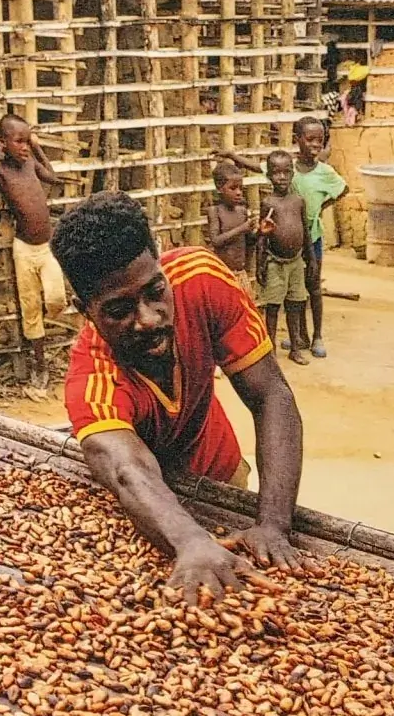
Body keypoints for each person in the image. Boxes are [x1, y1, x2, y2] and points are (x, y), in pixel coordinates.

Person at [51, 192, 305, 601]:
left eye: (155, 291)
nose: (148, 319)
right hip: (158, 504)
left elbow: (271, 395)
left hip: (222, 468)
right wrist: (190, 541)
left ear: (161, 267)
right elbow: (127, 470)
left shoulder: (201, 277)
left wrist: (273, 523)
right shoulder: (92, 377)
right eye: (119, 310)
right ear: (86, 310)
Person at [0, 113, 67, 384]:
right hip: (23, 250)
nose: (23, 146)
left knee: (56, 298)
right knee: (30, 308)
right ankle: (40, 366)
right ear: (3, 143)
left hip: (46, 247)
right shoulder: (0, 170)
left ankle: (41, 326)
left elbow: (53, 178)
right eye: (18, 141)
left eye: (26, 140)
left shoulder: (31, 164)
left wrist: (37, 147)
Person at [292, 114, 348, 358]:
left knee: (313, 286)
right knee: (295, 289)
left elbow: (343, 189)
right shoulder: (287, 168)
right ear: (298, 140)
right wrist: (232, 157)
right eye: (310, 139)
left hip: (312, 236)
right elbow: (262, 168)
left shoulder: (325, 172)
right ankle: (300, 336)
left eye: (320, 140)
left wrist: (321, 208)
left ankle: (317, 336)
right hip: (291, 239)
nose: (315, 145)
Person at [256, 149, 314, 364]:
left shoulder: (298, 201)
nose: (281, 177)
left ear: (292, 174)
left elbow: (305, 233)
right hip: (275, 262)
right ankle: (270, 348)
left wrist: (312, 261)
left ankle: (295, 347)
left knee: (295, 304)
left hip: (296, 262)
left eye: (286, 172)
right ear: (269, 175)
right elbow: (263, 236)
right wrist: (260, 266)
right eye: (276, 173)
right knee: (272, 306)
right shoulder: (268, 203)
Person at [205, 153, 253, 285]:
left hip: (240, 273)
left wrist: (260, 231)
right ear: (220, 189)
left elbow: (249, 241)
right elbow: (215, 240)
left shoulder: (242, 211)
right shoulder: (215, 211)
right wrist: (241, 228)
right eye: (233, 188)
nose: (238, 192)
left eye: (240, 188)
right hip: (222, 274)